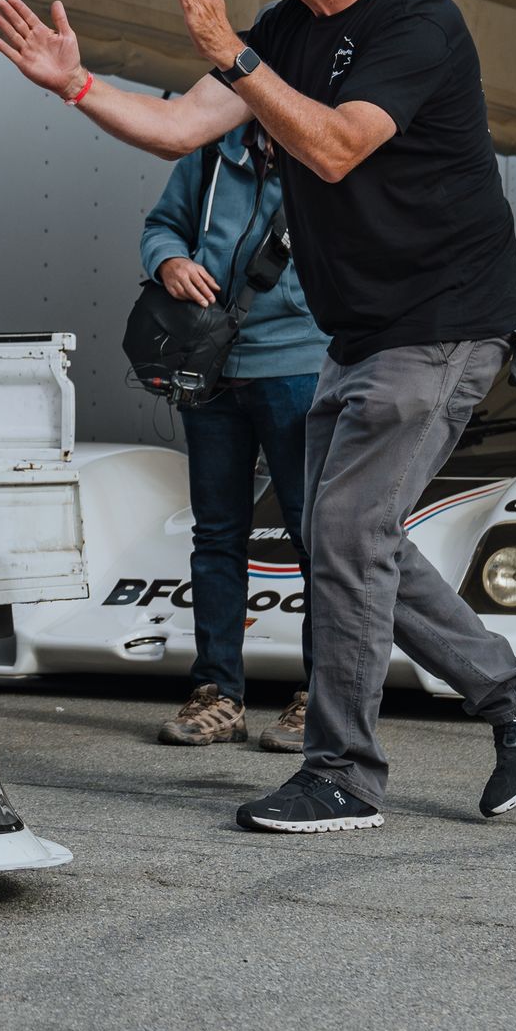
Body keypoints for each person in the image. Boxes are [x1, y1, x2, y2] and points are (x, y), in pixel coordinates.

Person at [0, 0, 516, 834]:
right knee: (353, 535)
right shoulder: (283, 33)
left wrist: (233, 50)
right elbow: (182, 129)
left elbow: (338, 145)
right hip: (363, 331)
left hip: (441, 323)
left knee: (342, 534)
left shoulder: (419, 26)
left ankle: (343, 771)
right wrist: (76, 85)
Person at [138, 124, 326, 750]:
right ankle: (218, 694)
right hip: (208, 366)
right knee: (216, 533)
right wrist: (168, 261)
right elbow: (160, 224)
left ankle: (322, 699)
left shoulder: (328, 151)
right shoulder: (210, 152)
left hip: (300, 365)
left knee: (316, 535)